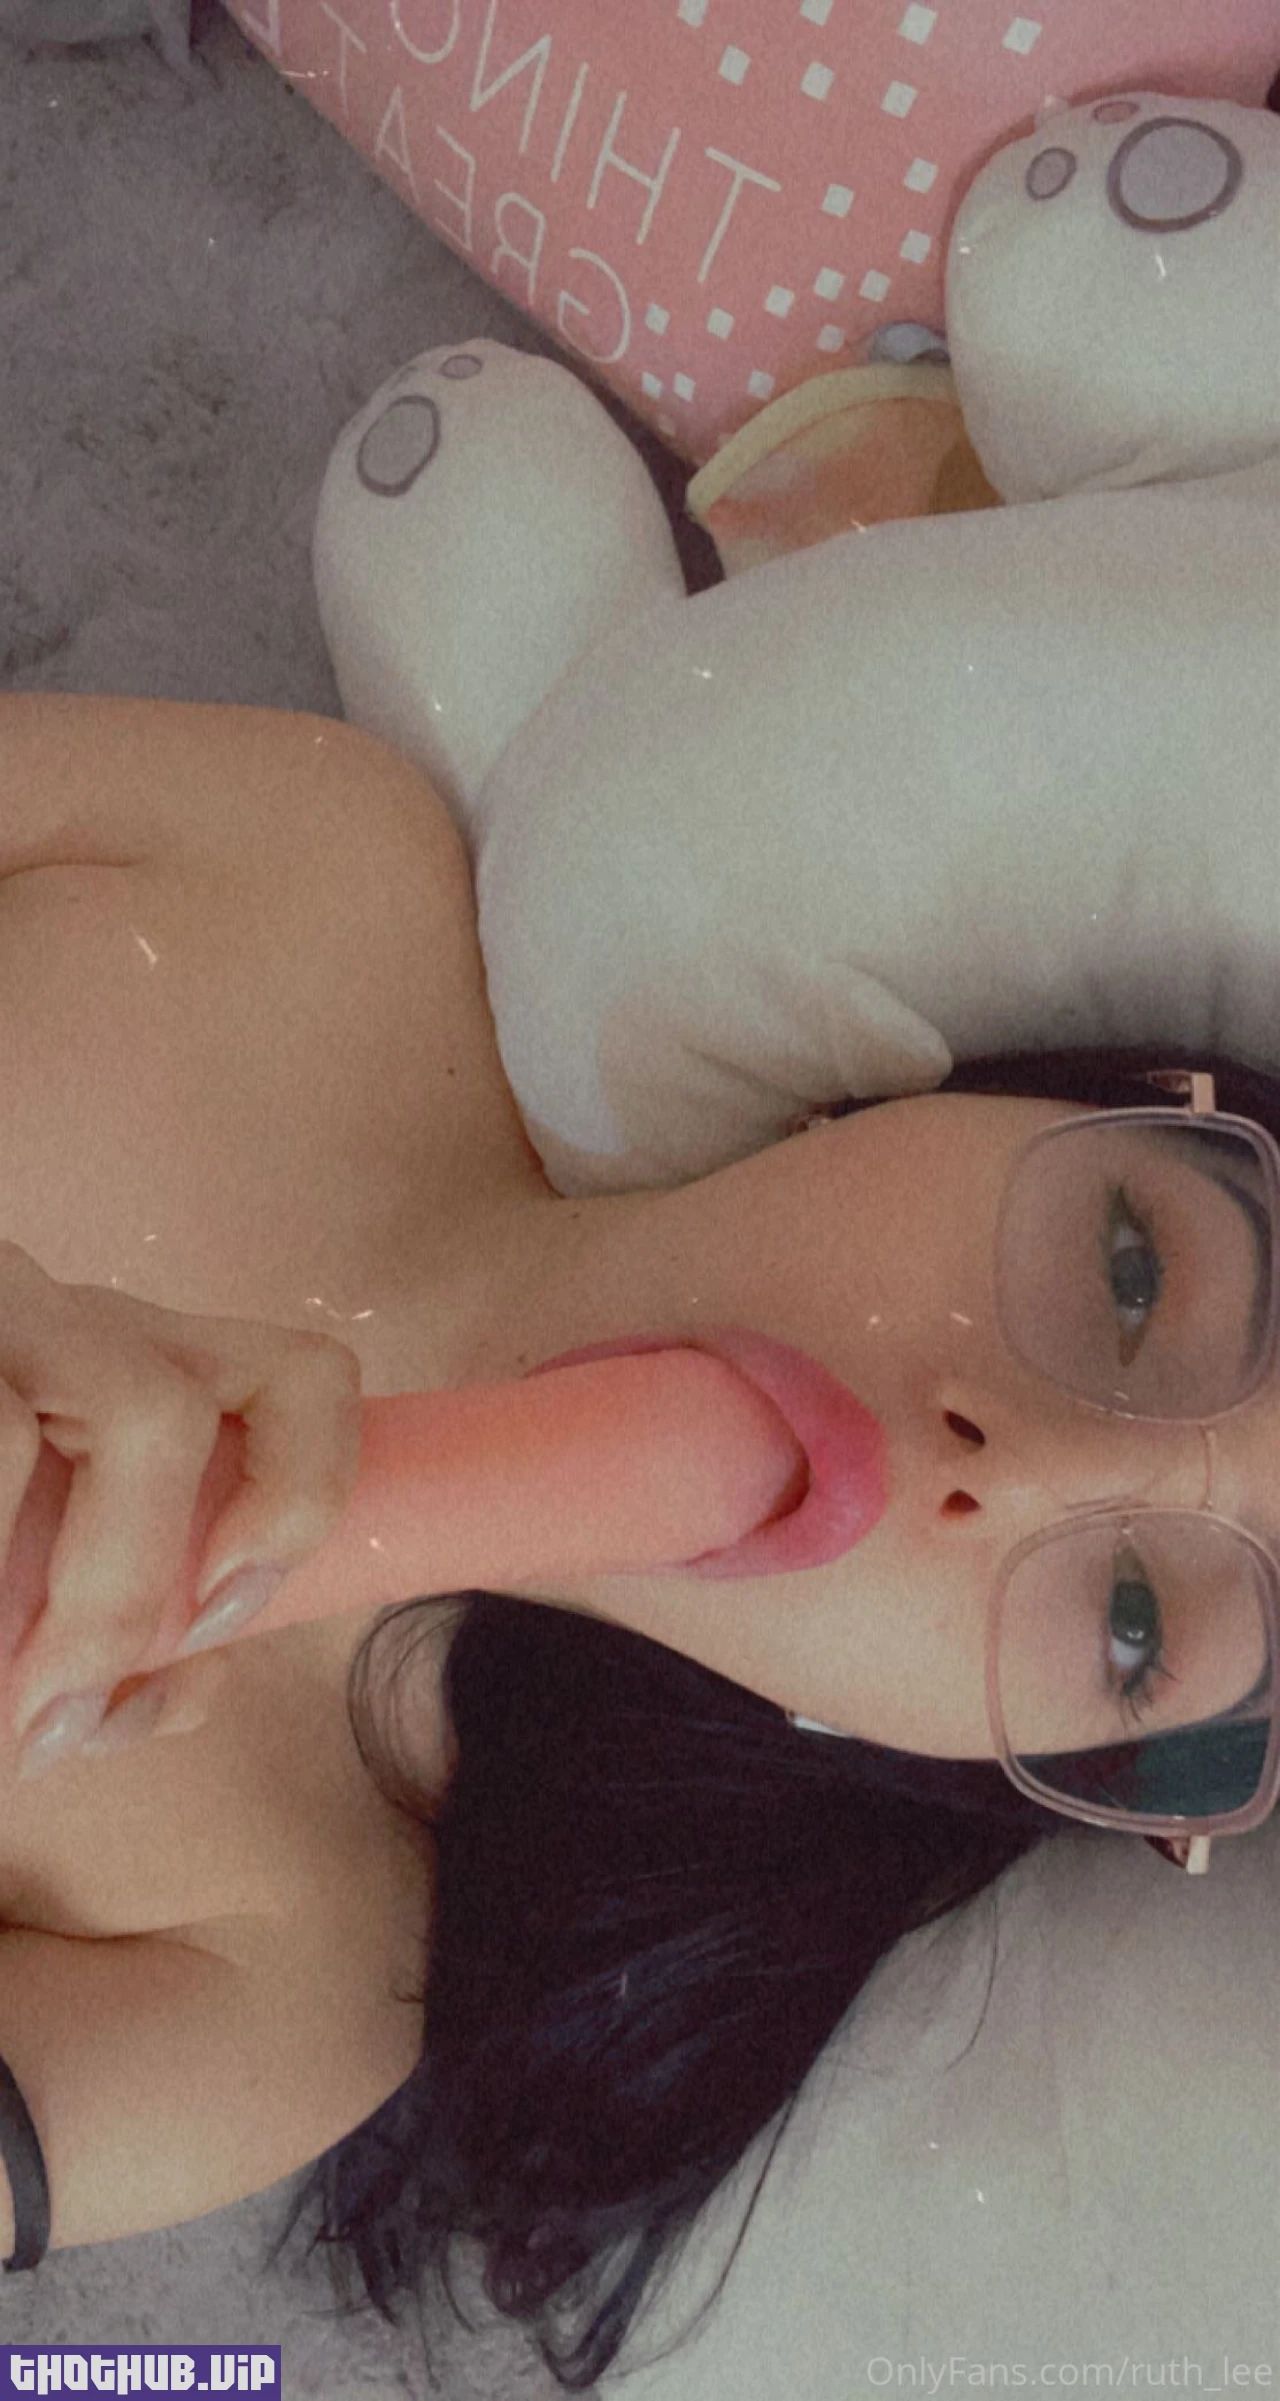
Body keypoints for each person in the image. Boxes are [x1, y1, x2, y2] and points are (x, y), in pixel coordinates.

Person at [0, 693, 1277, 2389]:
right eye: (1133, 1274)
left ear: (940, 1756)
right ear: (979, 1094)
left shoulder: (273, 1988)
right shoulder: (305, 857)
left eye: (1132, 1624)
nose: (1015, 1468)